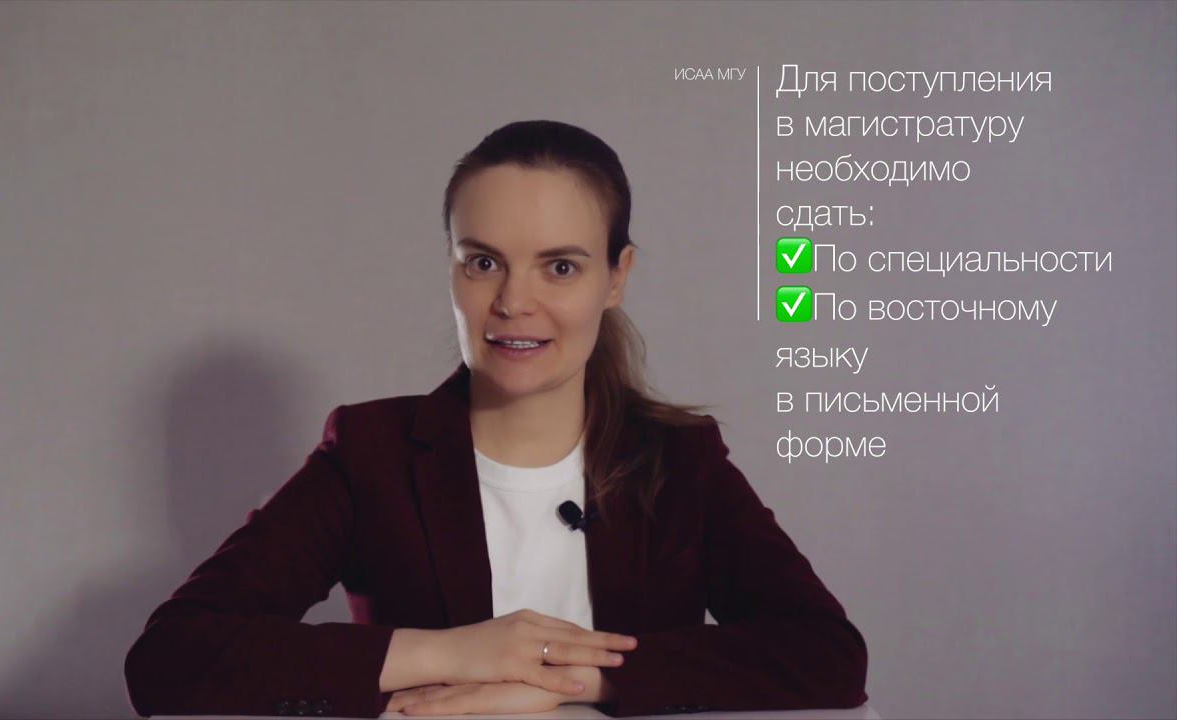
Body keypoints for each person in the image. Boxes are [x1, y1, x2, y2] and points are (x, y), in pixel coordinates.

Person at [123, 120, 869, 718]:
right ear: (451, 267)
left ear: (617, 277)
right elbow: (171, 659)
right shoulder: (370, 453)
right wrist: (454, 655)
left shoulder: (681, 459)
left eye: (560, 267)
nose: (513, 302)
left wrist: (571, 679)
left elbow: (829, 655)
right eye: (483, 263)